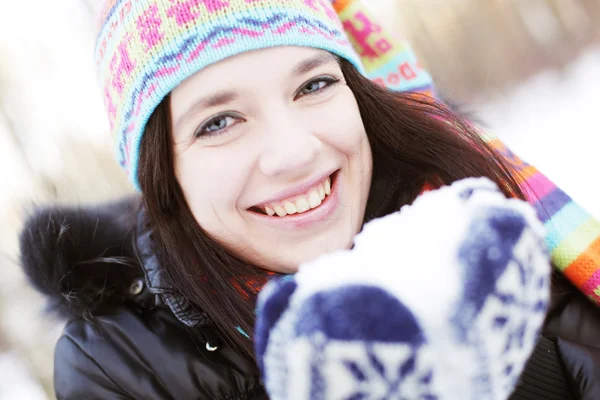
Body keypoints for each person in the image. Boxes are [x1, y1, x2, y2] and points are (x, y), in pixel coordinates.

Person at [18, 0, 600, 398]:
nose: (294, 152)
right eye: (220, 122)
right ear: (162, 172)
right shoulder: (123, 368)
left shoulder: (487, 230)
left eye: (314, 85)